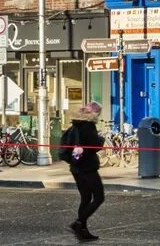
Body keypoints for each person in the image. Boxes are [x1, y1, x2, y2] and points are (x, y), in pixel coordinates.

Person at [61, 101, 105, 242]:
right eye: (98, 113)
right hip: (87, 167)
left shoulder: (77, 123)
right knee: (99, 197)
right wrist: (101, 140)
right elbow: (93, 146)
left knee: (86, 198)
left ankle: (83, 231)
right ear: (95, 113)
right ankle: (79, 223)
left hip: (76, 167)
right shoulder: (88, 126)